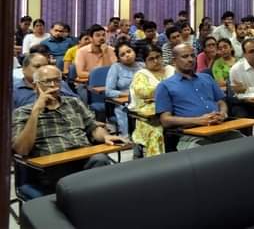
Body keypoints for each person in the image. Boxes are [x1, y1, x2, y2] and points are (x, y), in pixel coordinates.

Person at [12, 65, 126, 193]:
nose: (53, 85)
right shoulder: (22, 112)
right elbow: (22, 149)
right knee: (87, 185)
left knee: (100, 159)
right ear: (34, 86)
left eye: (57, 80)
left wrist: (105, 136)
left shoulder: (73, 103)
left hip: (83, 158)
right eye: (47, 82)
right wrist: (36, 111)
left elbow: (92, 127)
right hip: (53, 166)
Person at [155, 44, 232, 150]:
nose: (191, 59)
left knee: (247, 147)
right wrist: (198, 120)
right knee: (211, 155)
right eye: (185, 56)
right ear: (174, 61)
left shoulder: (207, 78)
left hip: (220, 128)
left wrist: (223, 113)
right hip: (191, 135)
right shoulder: (165, 86)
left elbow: (221, 102)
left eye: (192, 56)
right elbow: (165, 120)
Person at [128, 45, 175, 157]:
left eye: (158, 57)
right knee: (156, 133)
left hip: (175, 111)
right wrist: (170, 89)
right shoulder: (141, 75)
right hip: (149, 119)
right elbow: (144, 92)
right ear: (145, 62)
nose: (156, 61)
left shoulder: (171, 70)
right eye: (151, 59)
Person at [105, 43, 143, 138]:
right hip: (124, 101)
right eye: (122, 54)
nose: (127, 55)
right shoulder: (116, 68)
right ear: (119, 58)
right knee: (124, 108)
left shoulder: (143, 66)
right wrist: (127, 94)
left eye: (129, 51)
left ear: (134, 51)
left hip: (144, 99)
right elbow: (108, 91)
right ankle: (126, 136)